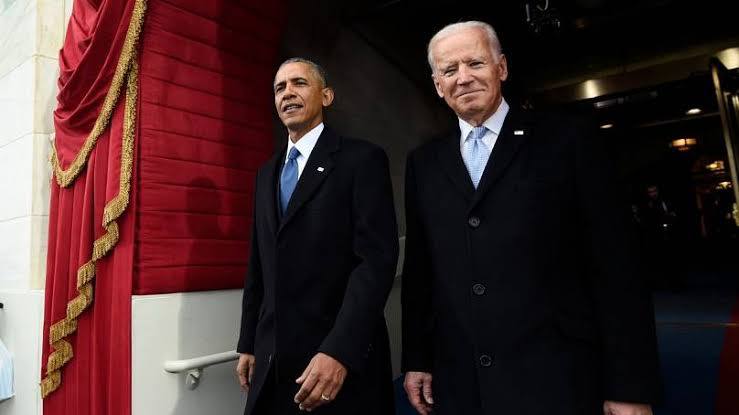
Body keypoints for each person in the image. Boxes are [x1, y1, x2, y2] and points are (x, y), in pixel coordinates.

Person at [401, 21, 661, 415]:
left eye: (475, 63)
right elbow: (422, 272)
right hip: (463, 385)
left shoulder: (568, 141)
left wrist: (629, 385)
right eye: (449, 71)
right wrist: (417, 357)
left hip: (559, 378)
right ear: (437, 85)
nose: (464, 78)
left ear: (501, 68)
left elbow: (616, 267)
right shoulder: (423, 164)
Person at [236, 58, 398, 414]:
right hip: (273, 361)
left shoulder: (362, 160)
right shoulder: (266, 173)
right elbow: (258, 264)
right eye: (280, 88)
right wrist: (248, 341)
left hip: (337, 360)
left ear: (326, 96)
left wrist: (339, 350)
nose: (288, 94)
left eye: (299, 84)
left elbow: (375, 264)